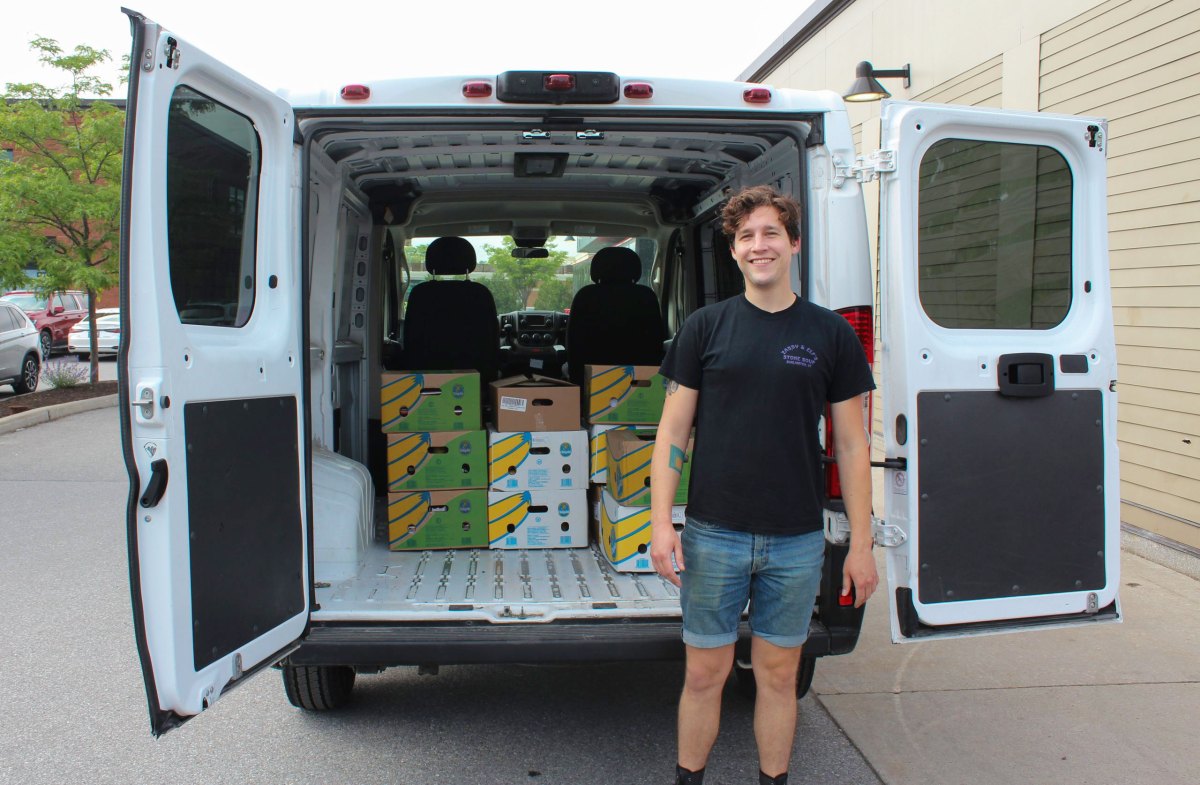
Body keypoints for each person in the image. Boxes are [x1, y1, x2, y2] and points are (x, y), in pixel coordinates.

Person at [649, 185, 878, 785]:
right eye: (747, 236)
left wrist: (861, 543)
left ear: (794, 243)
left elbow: (852, 446)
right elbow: (673, 434)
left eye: (771, 232)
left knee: (778, 678)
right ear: (734, 251)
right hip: (714, 534)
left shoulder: (831, 334)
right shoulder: (705, 329)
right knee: (704, 676)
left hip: (796, 540)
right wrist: (660, 525)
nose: (759, 245)